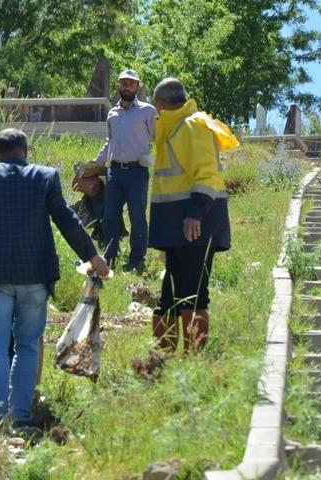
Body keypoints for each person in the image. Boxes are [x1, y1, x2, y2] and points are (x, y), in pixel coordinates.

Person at [0, 128, 109, 427]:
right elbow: (67, 220)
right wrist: (93, 256)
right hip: (33, 278)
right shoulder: (46, 177)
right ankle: (23, 414)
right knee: (27, 344)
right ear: (26, 152)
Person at [148, 78, 237, 352]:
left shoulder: (191, 126)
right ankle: (163, 360)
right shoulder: (177, 127)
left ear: (161, 104)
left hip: (193, 227)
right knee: (170, 297)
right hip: (178, 227)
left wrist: (195, 214)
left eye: (156, 107)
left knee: (193, 296)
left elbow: (208, 176)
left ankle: (193, 360)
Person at [94, 69, 157, 274]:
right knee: (110, 215)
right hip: (114, 172)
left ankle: (136, 260)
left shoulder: (147, 111)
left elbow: (159, 137)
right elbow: (109, 142)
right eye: (124, 83)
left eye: (131, 83)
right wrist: (94, 164)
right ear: (118, 86)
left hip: (137, 171)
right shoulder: (112, 113)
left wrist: (159, 160)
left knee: (137, 215)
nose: (127, 86)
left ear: (137, 87)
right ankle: (110, 256)